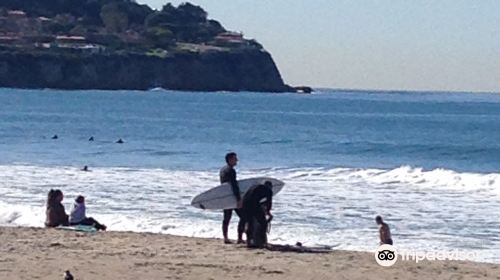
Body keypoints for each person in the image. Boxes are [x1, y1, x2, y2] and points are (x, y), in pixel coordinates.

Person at [220, 152, 244, 244]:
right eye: (235, 158)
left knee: (226, 218)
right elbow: (234, 186)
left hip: (225, 197)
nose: (237, 160)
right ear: (230, 159)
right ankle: (239, 238)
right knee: (243, 216)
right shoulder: (231, 170)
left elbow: (224, 185)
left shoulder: (223, 170)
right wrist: (238, 199)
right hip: (232, 197)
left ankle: (225, 238)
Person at [242, 181, 273, 248]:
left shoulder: (257, 186)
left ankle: (248, 242)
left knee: (249, 222)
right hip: (253, 203)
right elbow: (268, 203)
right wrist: (268, 213)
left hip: (244, 202)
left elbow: (255, 197)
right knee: (263, 223)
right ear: (270, 187)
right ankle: (263, 243)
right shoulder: (268, 190)